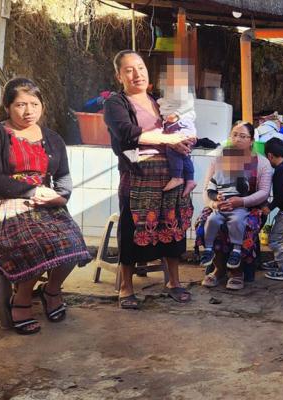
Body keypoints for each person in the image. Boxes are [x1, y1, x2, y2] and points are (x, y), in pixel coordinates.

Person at [0, 77, 91, 334]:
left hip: (45, 204)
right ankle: (21, 299)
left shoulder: (53, 139)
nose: (28, 111)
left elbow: (64, 177)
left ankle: (51, 291)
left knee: (73, 242)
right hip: (1, 203)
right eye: (20, 105)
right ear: (7, 107)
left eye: (34, 104)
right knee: (33, 241)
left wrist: (61, 197)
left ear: (42, 105)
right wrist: (33, 190)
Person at [104, 50, 196, 308]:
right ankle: (126, 287)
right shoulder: (116, 103)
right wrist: (167, 140)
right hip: (138, 175)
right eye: (129, 70)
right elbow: (126, 133)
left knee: (172, 226)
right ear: (119, 75)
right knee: (132, 229)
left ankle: (174, 282)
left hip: (168, 175)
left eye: (141, 68)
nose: (137, 74)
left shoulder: (159, 102)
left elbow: (177, 129)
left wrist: (182, 142)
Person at [197, 121, 273, 290]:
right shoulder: (219, 159)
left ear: (252, 140)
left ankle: (237, 272)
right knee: (204, 222)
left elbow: (264, 192)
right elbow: (207, 188)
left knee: (244, 225)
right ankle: (219, 268)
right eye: (234, 134)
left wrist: (241, 201)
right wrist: (215, 203)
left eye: (243, 136)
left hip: (248, 207)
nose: (237, 139)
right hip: (220, 205)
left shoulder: (261, 163)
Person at [157, 59, 198, 194]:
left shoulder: (181, 89)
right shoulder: (170, 91)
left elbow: (188, 104)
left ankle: (177, 177)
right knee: (183, 153)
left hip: (181, 124)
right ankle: (190, 180)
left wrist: (176, 114)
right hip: (179, 124)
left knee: (173, 149)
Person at [262, 138, 283, 281]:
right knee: (279, 238)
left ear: (270, 156)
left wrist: (268, 207)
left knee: (274, 240)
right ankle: (278, 262)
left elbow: (281, 196)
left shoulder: (280, 172)